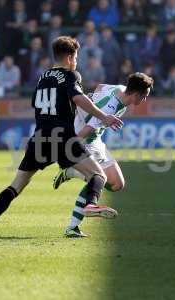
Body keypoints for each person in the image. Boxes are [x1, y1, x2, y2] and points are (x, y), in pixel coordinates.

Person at [0, 36, 123, 239]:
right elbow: (78, 98)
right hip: (64, 138)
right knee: (99, 176)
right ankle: (91, 204)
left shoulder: (42, 78)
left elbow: (37, 103)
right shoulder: (71, 76)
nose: (76, 61)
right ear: (69, 57)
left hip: (40, 138)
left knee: (16, 186)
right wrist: (104, 116)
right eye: (76, 56)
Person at [52, 72, 154, 237]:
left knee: (117, 184)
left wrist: (91, 101)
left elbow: (100, 86)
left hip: (96, 139)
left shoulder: (120, 89)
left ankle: (73, 227)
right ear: (136, 94)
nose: (145, 100)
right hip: (86, 140)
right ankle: (72, 174)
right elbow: (87, 130)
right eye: (145, 96)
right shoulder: (110, 107)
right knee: (99, 178)